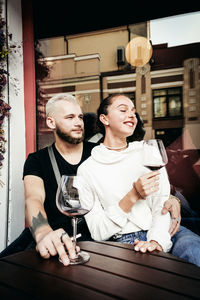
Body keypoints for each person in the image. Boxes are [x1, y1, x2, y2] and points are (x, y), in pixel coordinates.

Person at [0, 93, 183, 264]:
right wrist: (42, 232)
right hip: (55, 234)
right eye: (70, 118)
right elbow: (33, 199)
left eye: (80, 117)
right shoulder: (37, 160)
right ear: (51, 122)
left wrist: (171, 198)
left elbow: (135, 178)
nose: (78, 122)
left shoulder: (99, 154)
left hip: (95, 239)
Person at [77, 93, 200, 266]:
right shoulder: (87, 170)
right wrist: (133, 195)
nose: (131, 115)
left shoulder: (149, 152)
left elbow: (161, 205)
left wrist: (156, 241)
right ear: (105, 119)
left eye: (134, 112)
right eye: (123, 110)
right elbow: (98, 231)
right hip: (122, 242)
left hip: (164, 230)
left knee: (194, 252)